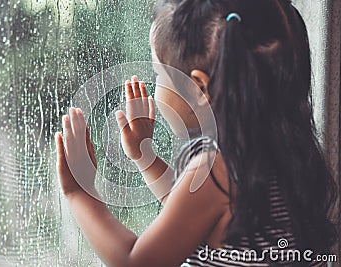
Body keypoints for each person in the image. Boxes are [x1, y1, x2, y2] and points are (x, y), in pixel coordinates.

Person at [54, 0, 337, 266]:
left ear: (199, 88)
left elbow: (136, 261)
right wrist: (146, 158)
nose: (156, 86)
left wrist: (79, 192)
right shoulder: (276, 153)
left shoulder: (219, 169)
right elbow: (190, 219)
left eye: (159, 76)